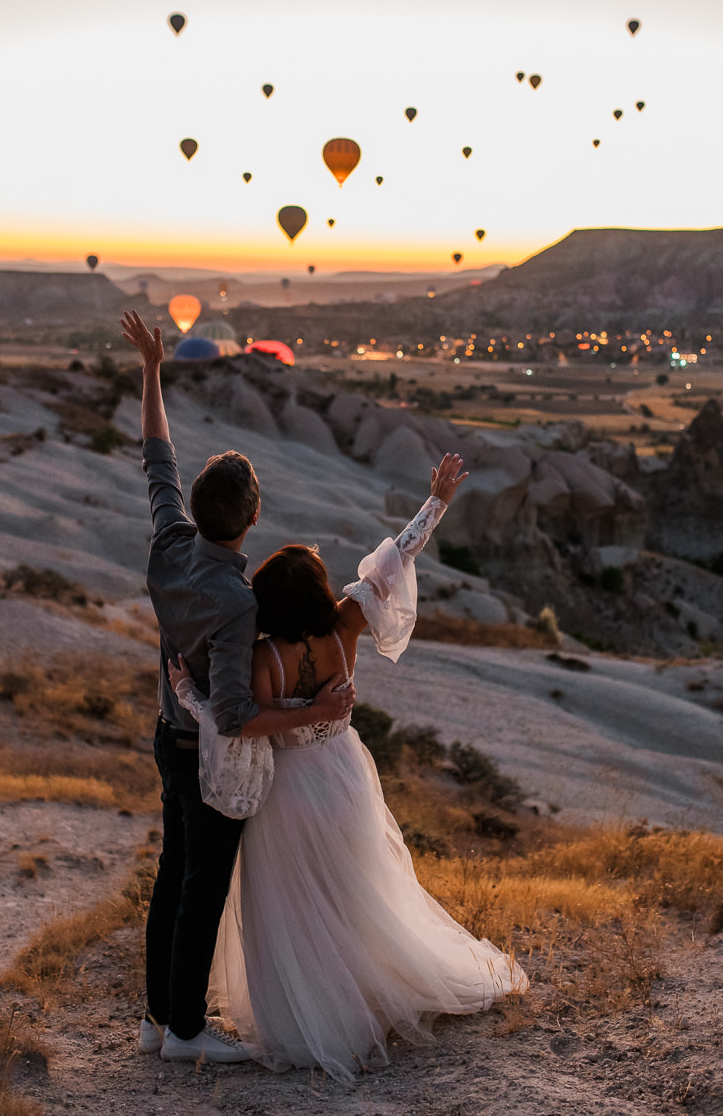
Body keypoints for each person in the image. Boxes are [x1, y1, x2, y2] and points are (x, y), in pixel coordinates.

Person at [171, 452, 528, 1084]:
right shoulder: (346, 628)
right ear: (317, 593)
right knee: (358, 895)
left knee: (299, 912)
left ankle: (318, 1015)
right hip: (344, 780)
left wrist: (189, 693)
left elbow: (236, 722)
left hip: (287, 796)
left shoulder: (264, 657)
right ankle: (372, 992)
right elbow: (397, 559)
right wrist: (437, 501)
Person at [121, 311, 354, 1065]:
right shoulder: (237, 601)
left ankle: (158, 1019)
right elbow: (231, 714)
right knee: (203, 887)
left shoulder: (168, 540)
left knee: (169, 876)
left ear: (197, 509)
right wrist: (317, 710)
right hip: (201, 752)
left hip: (163, 735)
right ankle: (186, 1033)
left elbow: (157, 456)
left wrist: (153, 368)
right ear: (253, 519)